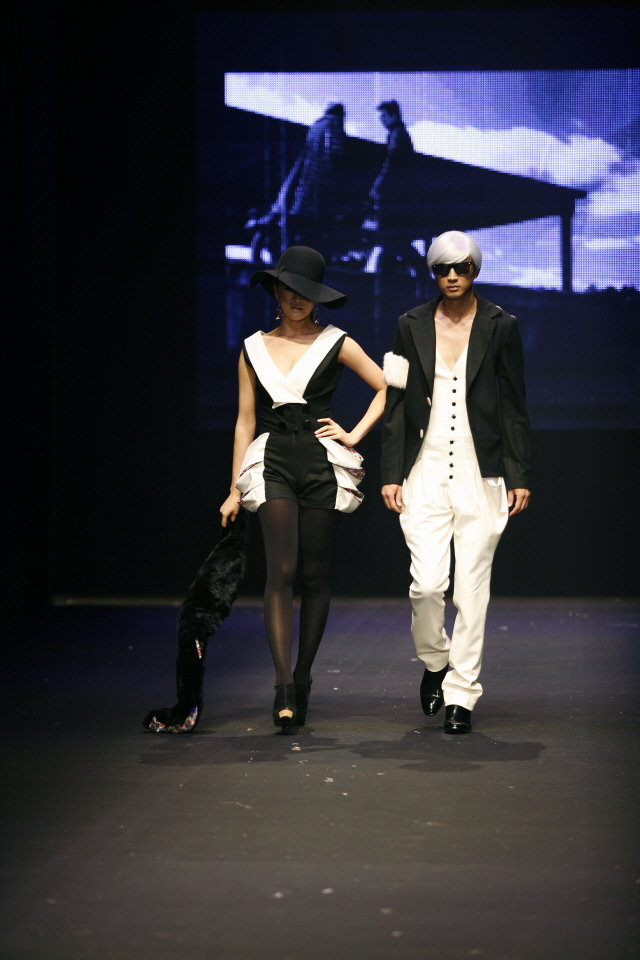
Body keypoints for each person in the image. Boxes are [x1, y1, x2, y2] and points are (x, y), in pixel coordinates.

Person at [220, 245, 386, 729]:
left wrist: (353, 434)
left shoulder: (336, 342)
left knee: (314, 574)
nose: (296, 299)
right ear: (275, 290)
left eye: (306, 292)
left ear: (318, 298)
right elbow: (244, 422)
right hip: (272, 460)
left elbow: (387, 386)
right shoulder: (252, 348)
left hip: (319, 463)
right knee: (282, 569)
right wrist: (234, 489)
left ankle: (304, 676)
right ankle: (283, 687)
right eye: (289, 289)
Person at [380, 231, 531, 734]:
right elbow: (395, 400)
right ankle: (435, 661)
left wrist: (518, 473)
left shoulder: (501, 325)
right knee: (426, 586)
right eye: (442, 269)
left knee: (472, 590)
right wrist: (391, 472)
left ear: (474, 270)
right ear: (433, 273)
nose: (451, 276)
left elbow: (514, 405)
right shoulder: (409, 325)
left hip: (480, 471)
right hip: (423, 470)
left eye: (461, 268)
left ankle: (461, 694)